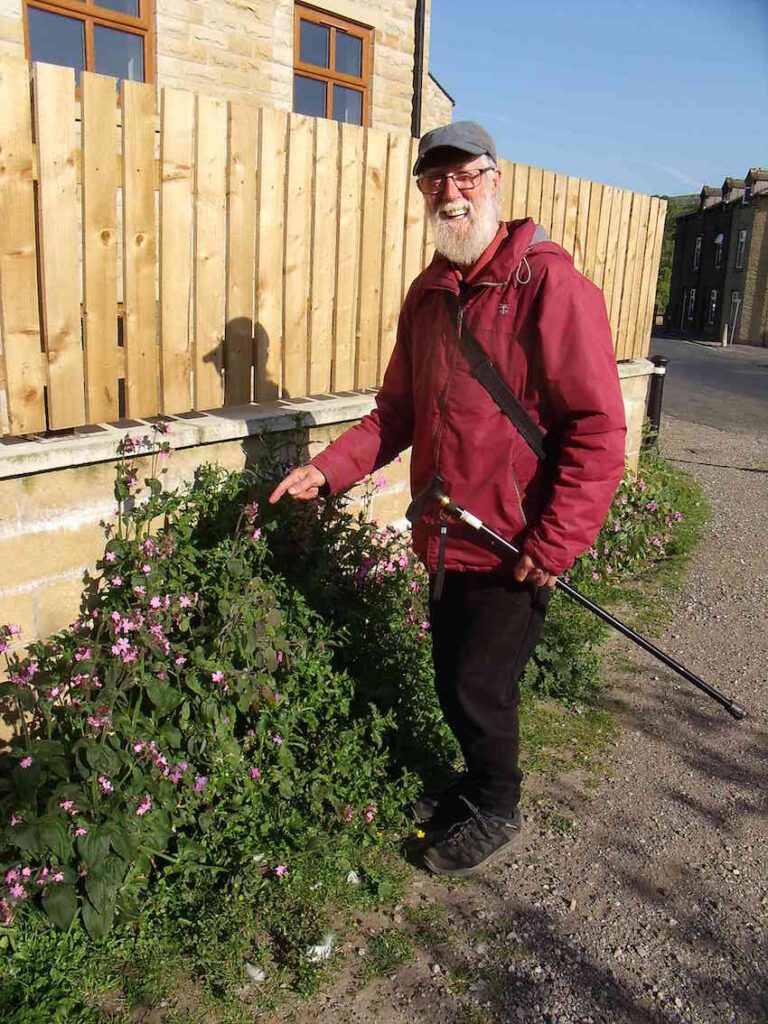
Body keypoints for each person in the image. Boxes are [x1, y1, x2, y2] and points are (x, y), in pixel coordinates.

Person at [270, 122, 627, 876]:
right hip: (443, 533)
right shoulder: (430, 294)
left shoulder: (550, 286)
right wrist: (328, 472)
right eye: (436, 182)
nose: (451, 194)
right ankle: (474, 783)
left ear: (494, 181)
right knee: (450, 677)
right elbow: (395, 414)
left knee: (480, 687)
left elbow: (597, 428)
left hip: (515, 541)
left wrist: (556, 542)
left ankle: (497, 805)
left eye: (465, 177)